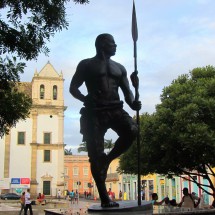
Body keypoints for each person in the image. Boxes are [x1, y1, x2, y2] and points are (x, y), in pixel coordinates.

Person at [70, 33, 141, 208]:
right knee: (95, 156)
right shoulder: (86, 65)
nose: (115, 46)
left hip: (116, 109)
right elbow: (73, 88)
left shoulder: (120, 68)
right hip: (94, 112)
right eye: (112, 43)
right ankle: (104, 198)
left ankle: (107, 159)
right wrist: (85, 99)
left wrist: (135, 93)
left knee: (133, 130)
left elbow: (129, 97)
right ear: (102, 45)